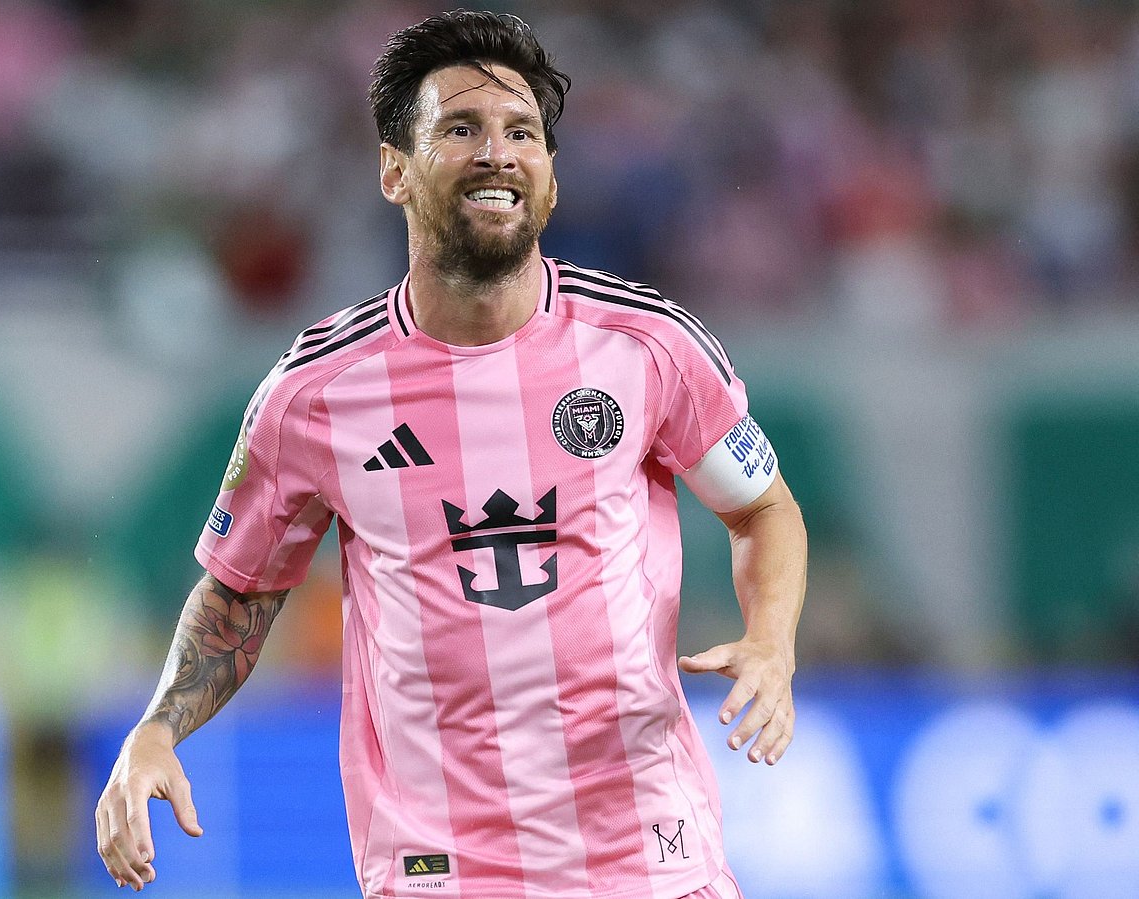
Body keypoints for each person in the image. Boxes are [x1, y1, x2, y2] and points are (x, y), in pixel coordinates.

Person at [95, 10, 807, 898]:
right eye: (461, 128)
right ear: (393, 169)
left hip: (650, 859)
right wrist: (157, 727)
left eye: (522, 134)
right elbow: (240, 590)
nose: (497, 152)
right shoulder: (314, 394)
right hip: (439, 869)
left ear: (550, 178)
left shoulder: (649, 346)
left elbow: (762, 508)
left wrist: (772, 644)